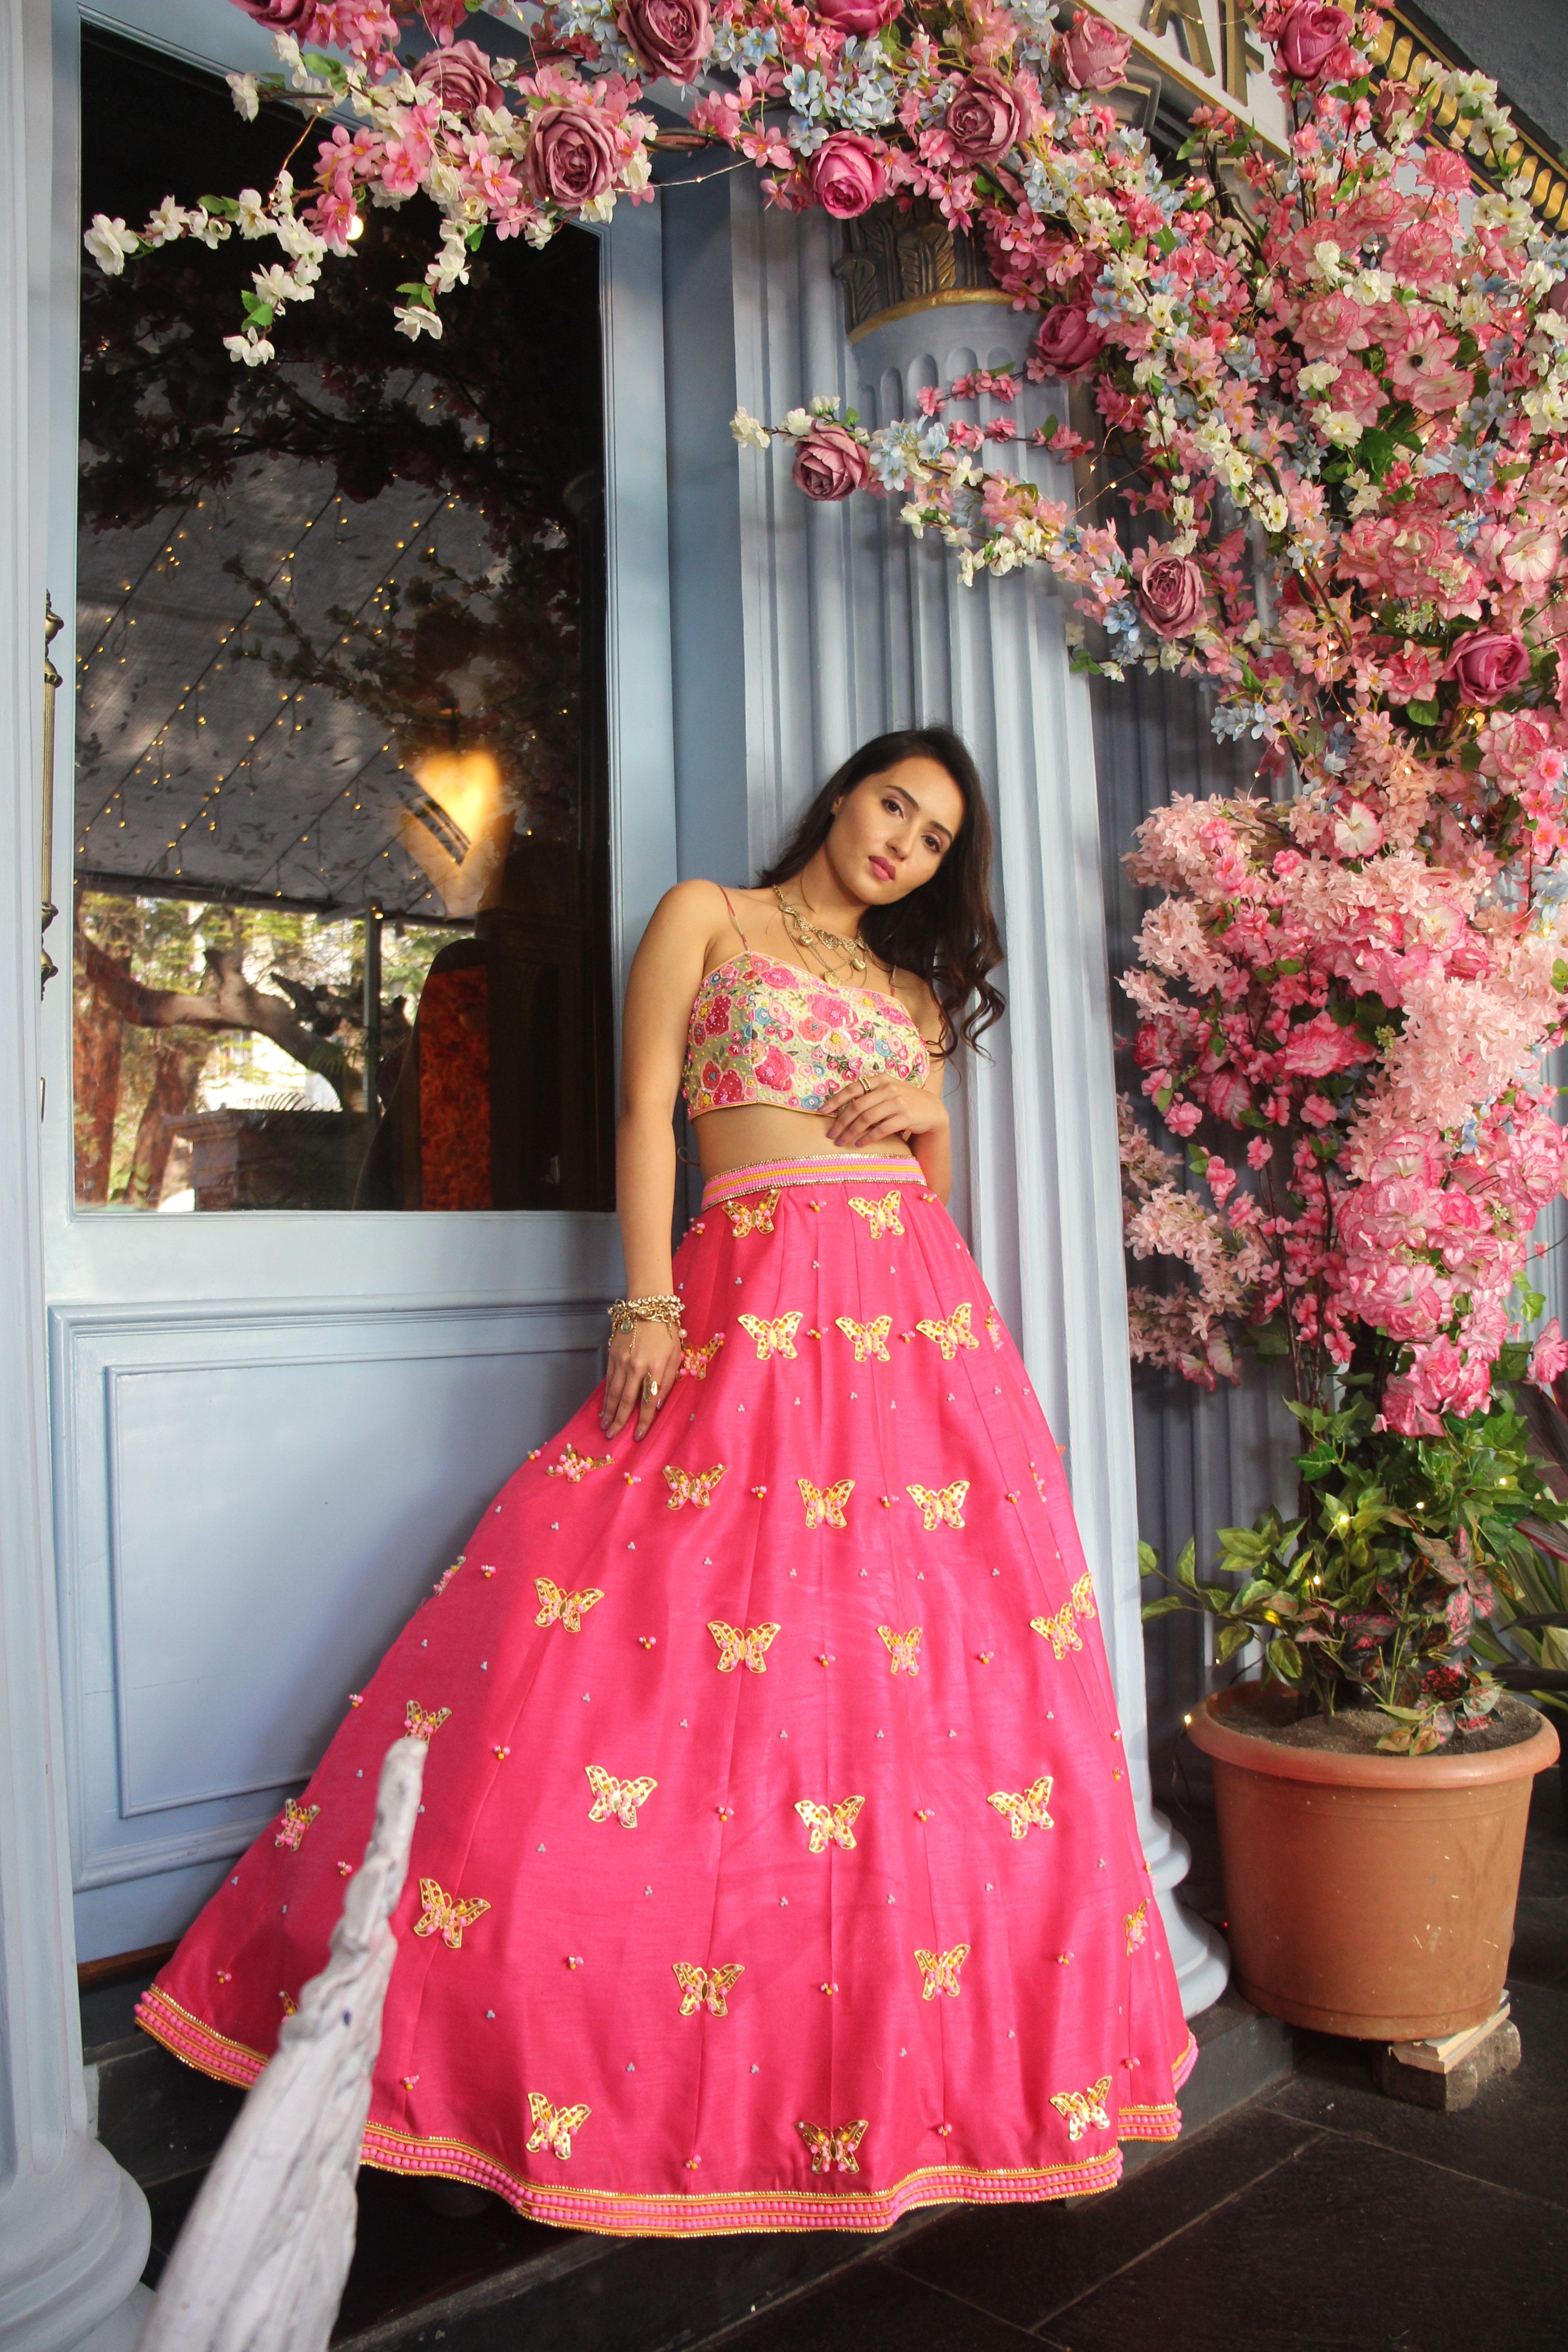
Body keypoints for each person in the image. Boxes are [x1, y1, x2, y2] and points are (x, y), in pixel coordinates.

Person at [138, 725, 1194, 2234]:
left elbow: (923, 1192)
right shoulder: (709, 914)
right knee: (646, 1613)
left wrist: (935, 1125)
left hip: (915, 1322)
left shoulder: (905, 996)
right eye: (895, 806)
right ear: (844, 795)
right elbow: (646, 1114)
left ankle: (888, 2036)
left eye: (934, 841)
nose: (903, 845)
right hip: (751, 1286)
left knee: (908, 1654)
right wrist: (644, 1298)